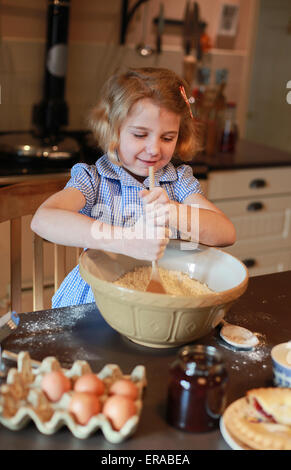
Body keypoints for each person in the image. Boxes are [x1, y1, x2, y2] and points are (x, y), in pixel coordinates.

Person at [31, 67, 236, 308]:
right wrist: (126, 240)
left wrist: (173, 211)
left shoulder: (178, 181)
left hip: (160, 301)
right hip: (96, 302)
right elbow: (42, 220)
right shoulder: (94, 179)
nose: (154, 149)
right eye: (140, 134)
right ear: (113, 130)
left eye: (167, 138)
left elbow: (226, 234)